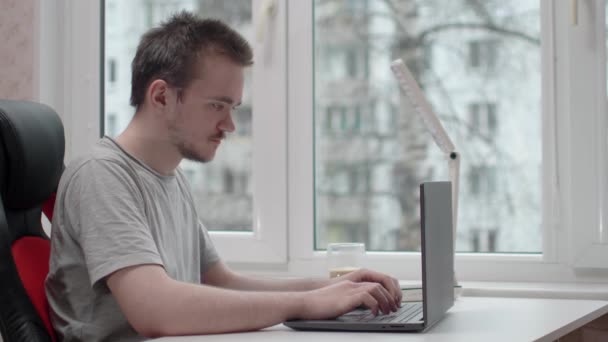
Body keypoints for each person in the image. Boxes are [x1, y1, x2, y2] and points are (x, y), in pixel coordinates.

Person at [45, 11, 402, 341]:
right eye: (217, 105)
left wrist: (329, 290)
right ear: (161, 96)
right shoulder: (102, 175)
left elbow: (223, 283)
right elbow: (155, 309)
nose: (229, 125)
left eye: (233, 108)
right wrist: (305, 305)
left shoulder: (170, 178)